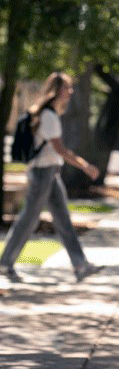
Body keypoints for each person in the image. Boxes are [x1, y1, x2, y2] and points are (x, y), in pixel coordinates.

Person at [0, 72, 102, 283]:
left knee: (63, 220)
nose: (71, 91)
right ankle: (5, 263)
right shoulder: (48, 116)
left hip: (50, 173)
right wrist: (85, 166)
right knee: (28, 219)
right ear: (57, 90)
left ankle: (80, 265)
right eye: (67, 87)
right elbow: (60, 149)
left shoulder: (49, 114)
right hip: (42, 174)